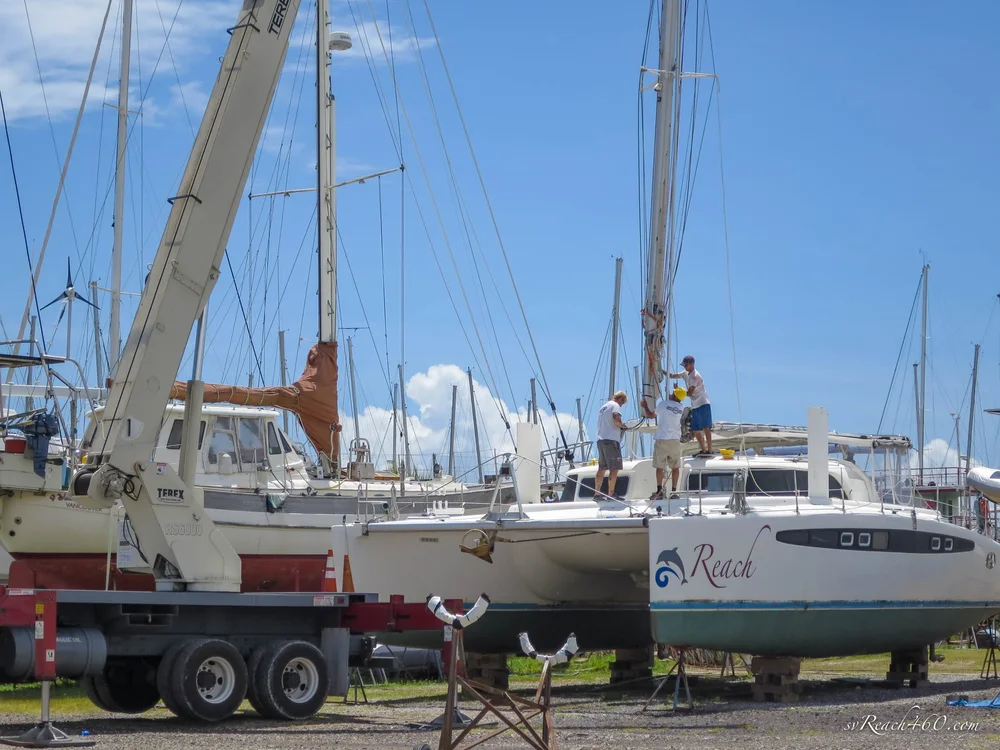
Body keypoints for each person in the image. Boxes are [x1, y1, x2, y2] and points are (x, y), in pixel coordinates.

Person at [642, 384, 685, 500]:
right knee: (675, 467)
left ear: (674, 394)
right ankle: (674, 492)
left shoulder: (663, 404)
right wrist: (675, 390)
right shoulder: (681, 407)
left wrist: (645, 406)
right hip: (675, 440)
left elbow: (651, 415)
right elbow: (675, 399)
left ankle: (659, 491)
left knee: (659, 466)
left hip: (662, 439)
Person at [670, 355, 712, 455]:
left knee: (706, 427)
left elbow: (689, 393)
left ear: (692, 364)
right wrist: (661, 371)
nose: (685, 367)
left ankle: (710, 450)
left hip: (703, 403)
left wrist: (677, 390)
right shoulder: (685, 373)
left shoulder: (695, 376)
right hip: (695, 405)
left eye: (686, 365)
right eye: (684, 365)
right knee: (695, 429)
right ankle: (704, 450)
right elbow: (672, 376)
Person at [594, 391, 629, 499]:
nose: (621, 405)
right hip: (611, 441)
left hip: (601, 440)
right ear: (621, 399)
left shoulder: (603, 407)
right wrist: (622, 426)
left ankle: (597, 494)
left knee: (602, 468)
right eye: (622, 403)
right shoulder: (615, 405)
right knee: (614, 468)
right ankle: (611, 494)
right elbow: (616, 417)